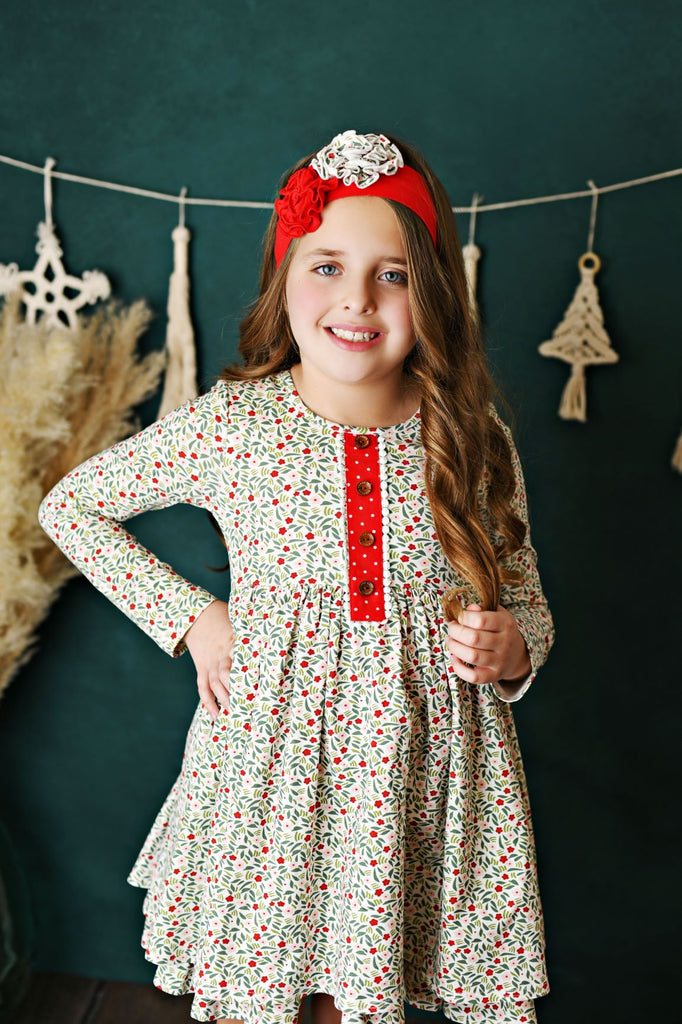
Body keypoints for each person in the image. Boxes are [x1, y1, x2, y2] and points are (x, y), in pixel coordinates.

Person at [39, 129, 555, 1024]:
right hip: (275, 777)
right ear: (285, 279)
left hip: (422, 782)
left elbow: (527, 595)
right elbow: (71, 507)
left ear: (432, 292)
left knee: (370, 996)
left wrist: (514, 647)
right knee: (273, 996)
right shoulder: (236, 425)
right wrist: (194, 618)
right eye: (326, 267)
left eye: (392, 274)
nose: (357, 299)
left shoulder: (473, 435)